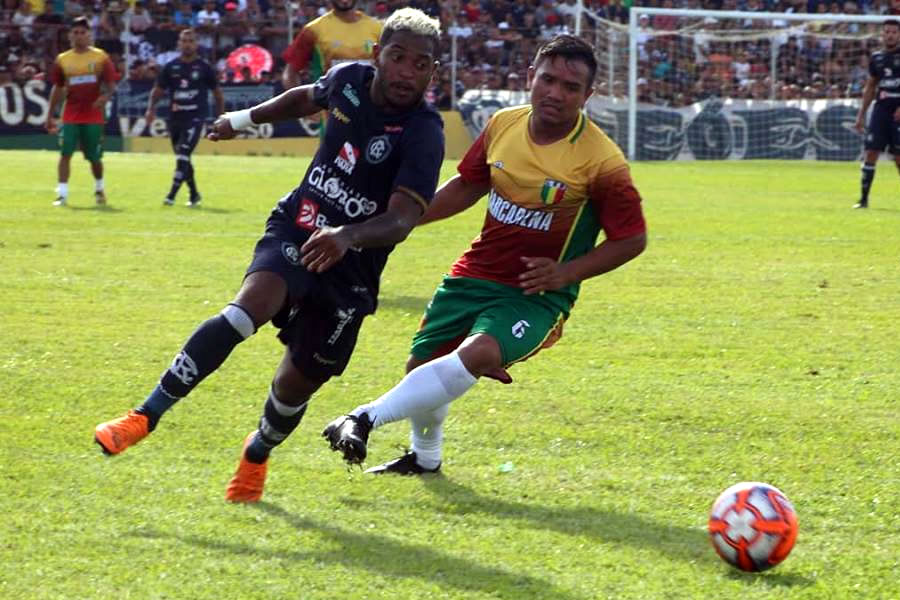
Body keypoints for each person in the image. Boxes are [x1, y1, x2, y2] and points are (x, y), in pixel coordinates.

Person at [93, 8, 444, 503]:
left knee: (294, 387)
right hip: (298, 228)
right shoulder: (346, 80)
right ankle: (143, 415)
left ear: (434, 71)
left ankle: (256, 453)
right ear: (377, 55)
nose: (408, 71)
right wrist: (240, 119)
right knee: (244, 311)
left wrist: (345, 235)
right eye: (398, 56)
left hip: (353, 271)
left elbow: (403, 219)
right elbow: (305, 96)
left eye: (422, 64)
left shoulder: (425, 132)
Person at [323, 34, 648, 475]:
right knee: (422, 366)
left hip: (535, 294)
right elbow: (467, 186)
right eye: (548, 80)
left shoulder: (601, 161)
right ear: (531, 77)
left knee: (478, 354)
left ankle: (361, 418)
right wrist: (401, 220)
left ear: (588, 96)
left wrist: (564, 274)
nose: (555, 93)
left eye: (570, 88)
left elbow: (632, 239)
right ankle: (425, 457)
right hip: (474, 273)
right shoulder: (502, 124)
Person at [145, 28, 225, 207]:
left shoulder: (204, 68)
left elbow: (218, 94)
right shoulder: (170, 67)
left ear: (196, 44)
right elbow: (157, 91)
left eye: (190, 41)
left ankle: (171, 196)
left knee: (183, 153)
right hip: (175, 118)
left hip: (196, 117)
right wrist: (150, 109)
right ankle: (194, 194)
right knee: (184, 157)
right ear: (179, 43)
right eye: (184, 41)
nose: (187, 44)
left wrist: (220, 118)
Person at [45, 16, 118, 207]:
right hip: (70, 113)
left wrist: (105, 97)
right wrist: (50, 114)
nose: (79, 36)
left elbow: (111, 85)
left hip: (93, 115)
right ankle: (62, 194)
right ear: (70, 35)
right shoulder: (63, 59)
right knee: (65, 152)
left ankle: (99, 188)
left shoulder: (100, 57)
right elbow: (58, 87)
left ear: (89, 35)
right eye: (75, 32)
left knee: (93, 157)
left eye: (82, 32)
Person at [281, 0, 383, 90]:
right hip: (328, 108)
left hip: (368, 107)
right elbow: (290, 73)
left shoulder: (378, 28)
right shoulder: (314, 29)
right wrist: (300, 105)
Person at [854, 19, 900, 209]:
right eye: (887, 32)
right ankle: (863, 200)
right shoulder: (877, 57)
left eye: (894, 32)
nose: (890, 35)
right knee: (871, 152)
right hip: (881, 110)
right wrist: (861, 114)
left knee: (899, 157)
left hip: (898, 110)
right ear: (882, 34)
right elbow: (871, 86)